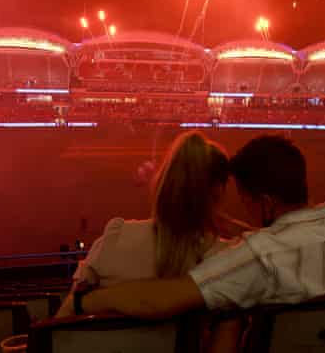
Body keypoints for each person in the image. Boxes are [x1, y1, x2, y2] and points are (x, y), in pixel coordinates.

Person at [78, 134, 325, 320]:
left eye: (245, 200)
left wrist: (88, 300)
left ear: (266, 202)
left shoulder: (255, 257)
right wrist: (239, 230)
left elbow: (163, 299)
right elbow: (290, 242)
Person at [57, 131, 232, 317]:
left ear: (165, 180)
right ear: (218, 190)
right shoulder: (226, 260)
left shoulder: (116, 238)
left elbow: (65, 316)